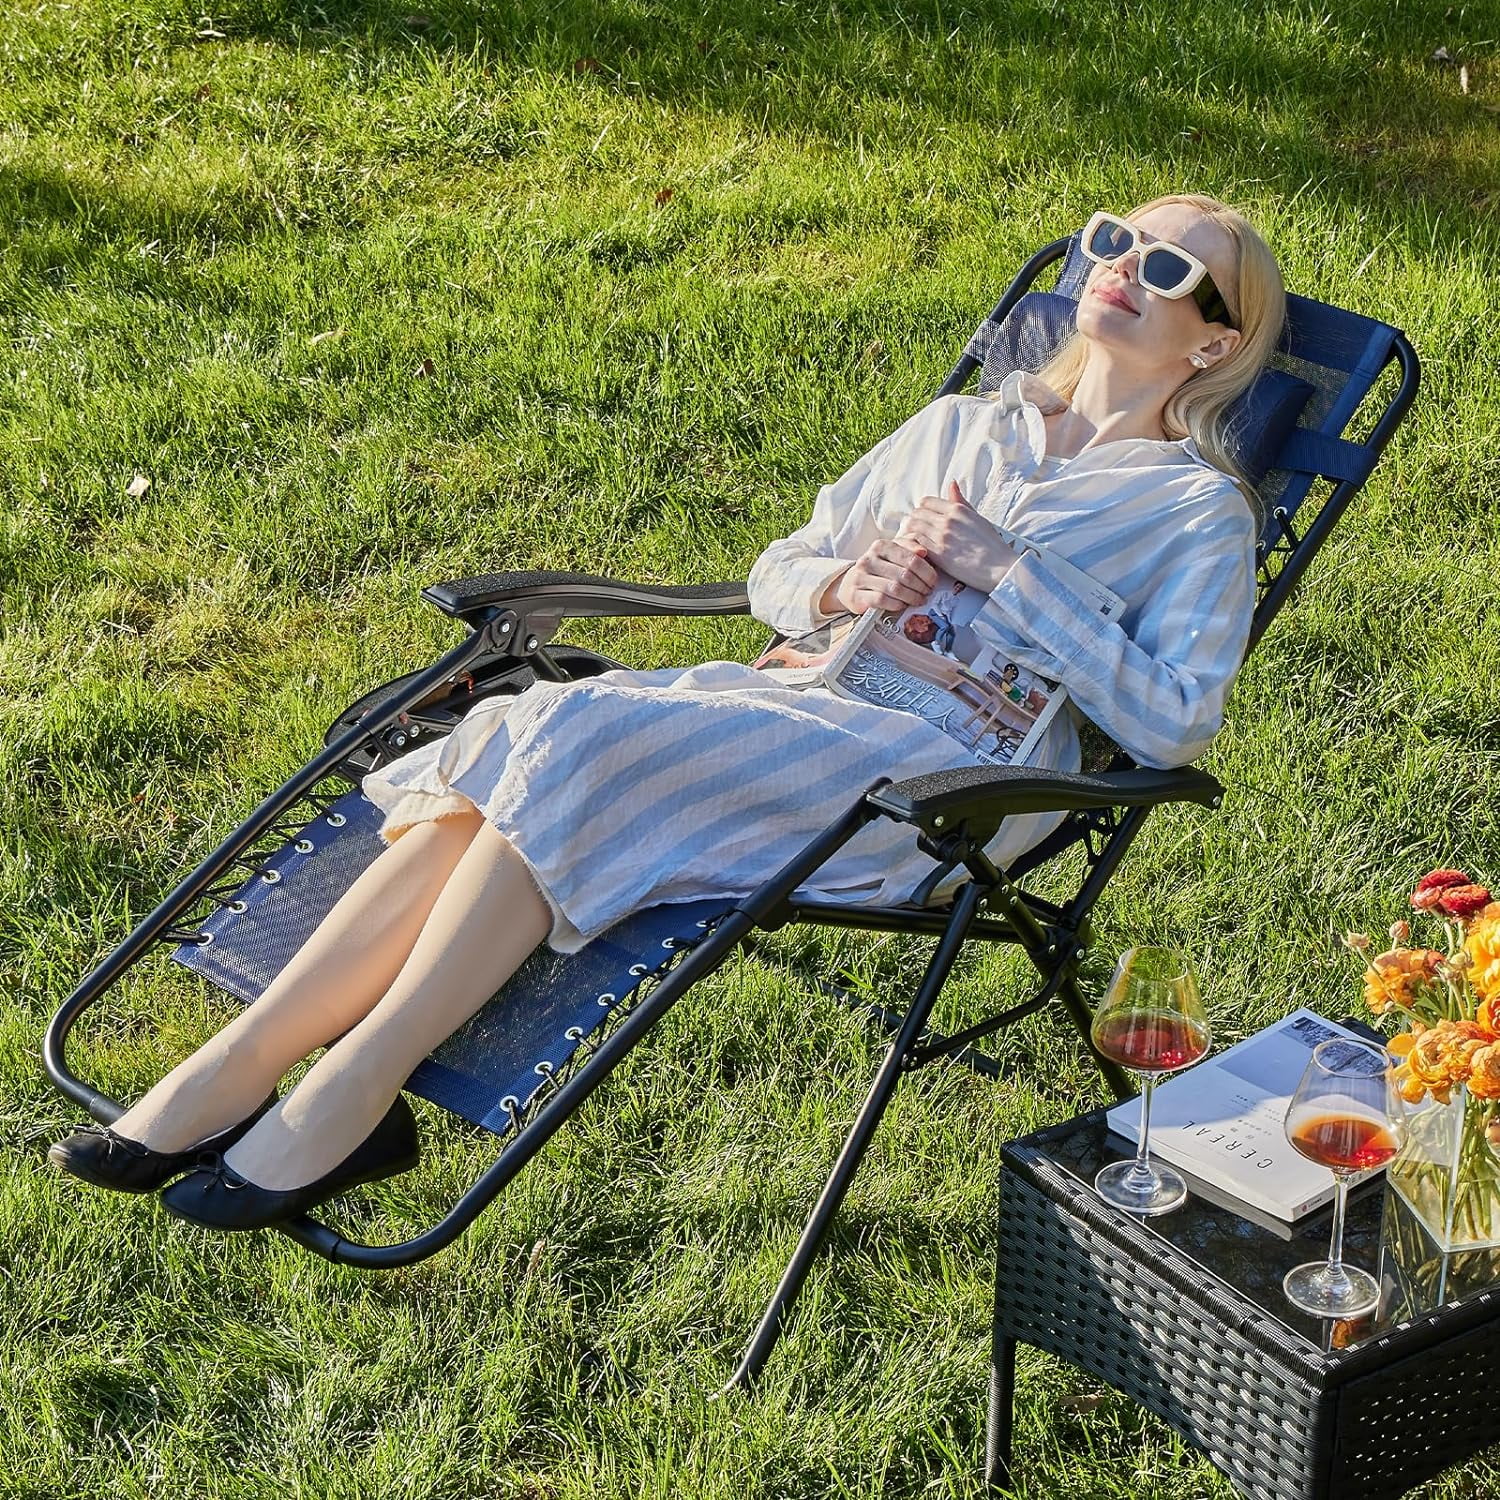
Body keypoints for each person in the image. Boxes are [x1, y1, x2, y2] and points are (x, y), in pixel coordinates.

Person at [49, 193, 1286, 1230]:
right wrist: (846, 583)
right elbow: (780, 571)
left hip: (940, 782)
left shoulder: (1194, 512)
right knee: (543, 739)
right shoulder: (964, 425)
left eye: (1170, 268)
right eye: (1112, 237)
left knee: (573, 731)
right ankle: (252, 1066)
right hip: (795, 702)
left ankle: (344, 1093)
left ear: (1213, 344)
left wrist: (1012, 573)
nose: (1122, 267)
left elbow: (1177, 721)